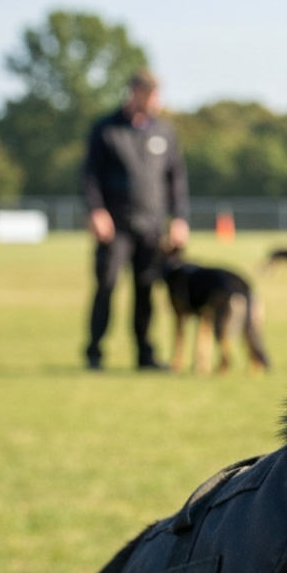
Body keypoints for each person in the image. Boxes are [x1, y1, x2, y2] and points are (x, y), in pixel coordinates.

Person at [83, 70, 189, 369]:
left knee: (146, 291)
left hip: (152, 226)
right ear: (134, 92)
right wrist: (96, 210)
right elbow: (90, 175)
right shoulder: (107, 129)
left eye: (158, 94)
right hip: (114, 226)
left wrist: (179, 218)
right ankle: (94, 353)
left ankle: (145, 355)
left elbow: (176, 178)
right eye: (151, 94)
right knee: (107, 286)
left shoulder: (164, 131)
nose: (156, 101)